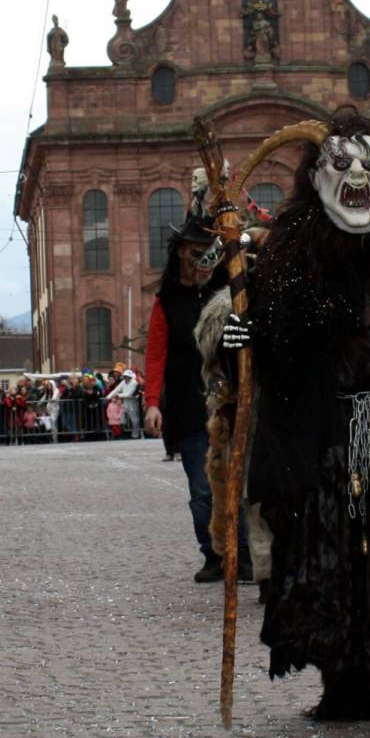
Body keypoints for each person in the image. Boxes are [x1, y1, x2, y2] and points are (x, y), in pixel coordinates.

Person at [225, 111, 370, 725]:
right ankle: (343, 681)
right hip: (326, 438)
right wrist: (242, 336)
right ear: (316, 177)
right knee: (328, 556)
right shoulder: (291, 256)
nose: (356, 178)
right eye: (341, 165)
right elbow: (280, 338)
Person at [144, 199, 232, 581]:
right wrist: (151, 404)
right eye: (197, 253)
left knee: (236, 483)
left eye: (210, 254)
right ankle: (214, 554)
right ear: (181, 252)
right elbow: (155, 356)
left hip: (232, 398)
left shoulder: (229, 289)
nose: (204, 262)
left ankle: (243, 553)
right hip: (190, 403)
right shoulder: (166, 301)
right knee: (202, 488)